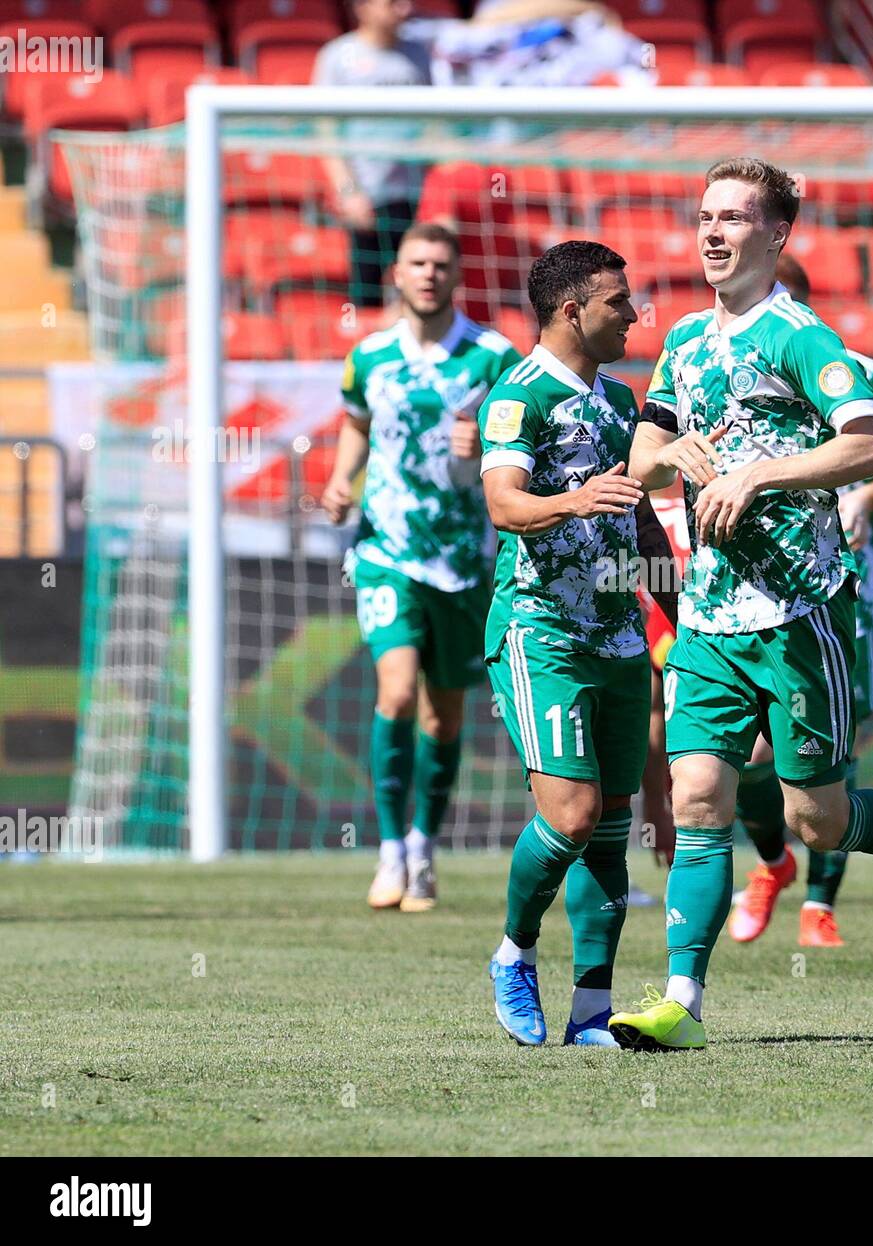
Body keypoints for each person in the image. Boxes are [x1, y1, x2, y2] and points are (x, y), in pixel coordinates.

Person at [608, 159, 873, 1052]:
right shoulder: (682, 340)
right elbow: (639, 456)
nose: (712, 232)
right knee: (699, 795)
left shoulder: (802, 337)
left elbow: (872, 444)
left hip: (799, 612)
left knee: (814, 819)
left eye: (734, 218)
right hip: (708, 614)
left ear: (777, 235)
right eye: (704, 215)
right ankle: (682, 1002)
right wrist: (676, 460)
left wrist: (759, 472)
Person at [479, 241, 676, 1047]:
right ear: (572, 310)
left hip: (619, 640)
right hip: (542, 631)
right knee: (571, 814)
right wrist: (576, 498)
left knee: (610, 824)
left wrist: (681, 616)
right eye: (618, 301)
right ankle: (513, 951)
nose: (633, 314)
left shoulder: (623, 401)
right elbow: (503, 505)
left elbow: (643, 520)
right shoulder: (518, 397)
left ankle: (591, 1011)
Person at [728, 252, 873, 949]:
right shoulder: (731, 374)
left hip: (848, 593)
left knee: (836, 753)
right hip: (754, 596)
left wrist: (868, 497)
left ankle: (821, 905)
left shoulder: (862, 373)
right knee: (750, 757)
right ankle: (772, 864)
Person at [322, 223, 523, 911]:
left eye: (440, 263)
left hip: (466, 560)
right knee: (396, 692)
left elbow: (517, 446)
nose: (428, 273)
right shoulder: (369, 357)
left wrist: (478, 449)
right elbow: (355, 422)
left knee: (442, 718)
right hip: (385, 551)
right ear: (397, 274)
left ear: (456, 274)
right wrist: (342, 479)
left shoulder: (493, 358)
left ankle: (424, 848)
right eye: (417, 262)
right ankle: (388, 852)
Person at [313, 0, 432, 308]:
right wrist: (349, 191)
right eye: (393, 3)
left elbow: (432, 125)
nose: (404, 9)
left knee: (418, 293)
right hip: (366, 198)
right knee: (366, 299)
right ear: (362, 6)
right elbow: (327, 132)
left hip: (414, 196)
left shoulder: (418, 54)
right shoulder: (338, 57)